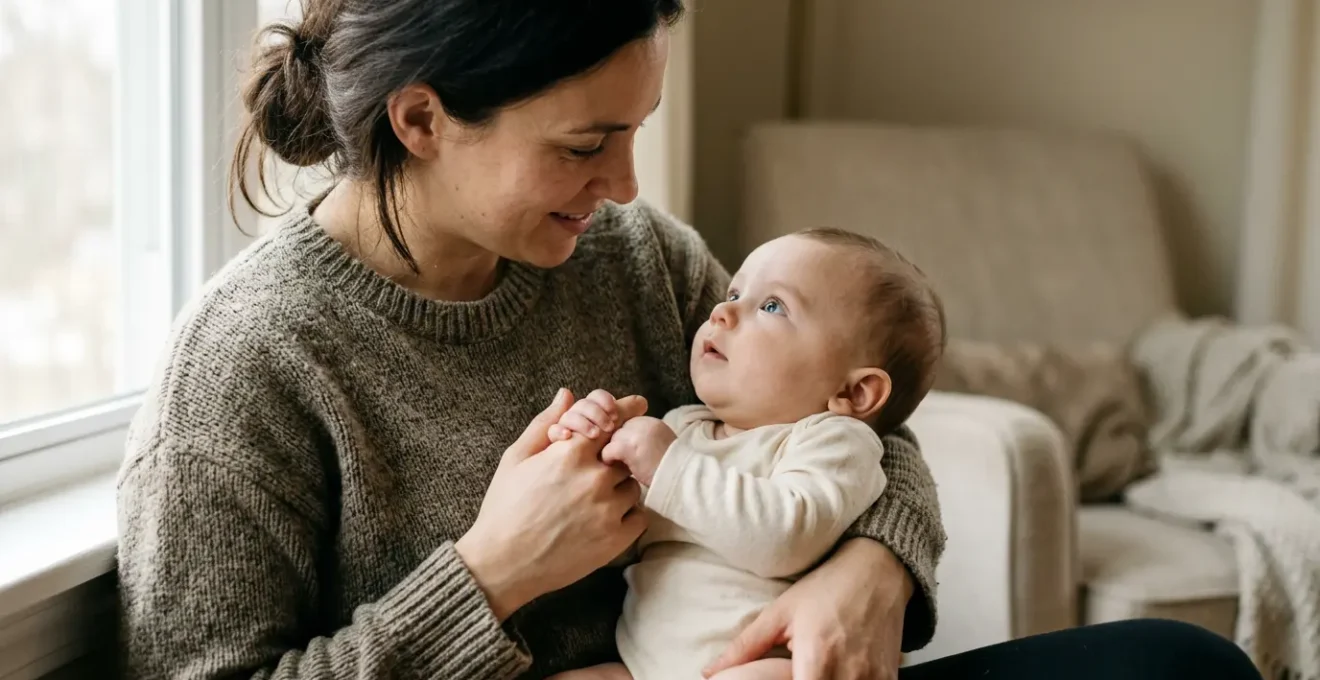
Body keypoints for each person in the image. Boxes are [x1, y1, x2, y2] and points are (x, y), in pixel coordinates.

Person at [112, 1, 1265, 679]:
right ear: (421, 118)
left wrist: (875, 566)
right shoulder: (247, 364)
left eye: (637, 134)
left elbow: (855, 414)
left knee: (1180, 664)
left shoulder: (633, 256)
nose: (622, 185)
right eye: (585, 144)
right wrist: (491, 573)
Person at [544, 229, 947, 680]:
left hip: (763, 663)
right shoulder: (683, 427)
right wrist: (591, 447)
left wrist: (665, 465)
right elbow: (617, 535)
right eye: (733, 292)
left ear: (852, 391)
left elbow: (784, 539)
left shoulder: (831, 442)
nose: (722, 312)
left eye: (772, 306)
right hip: (641, 667)